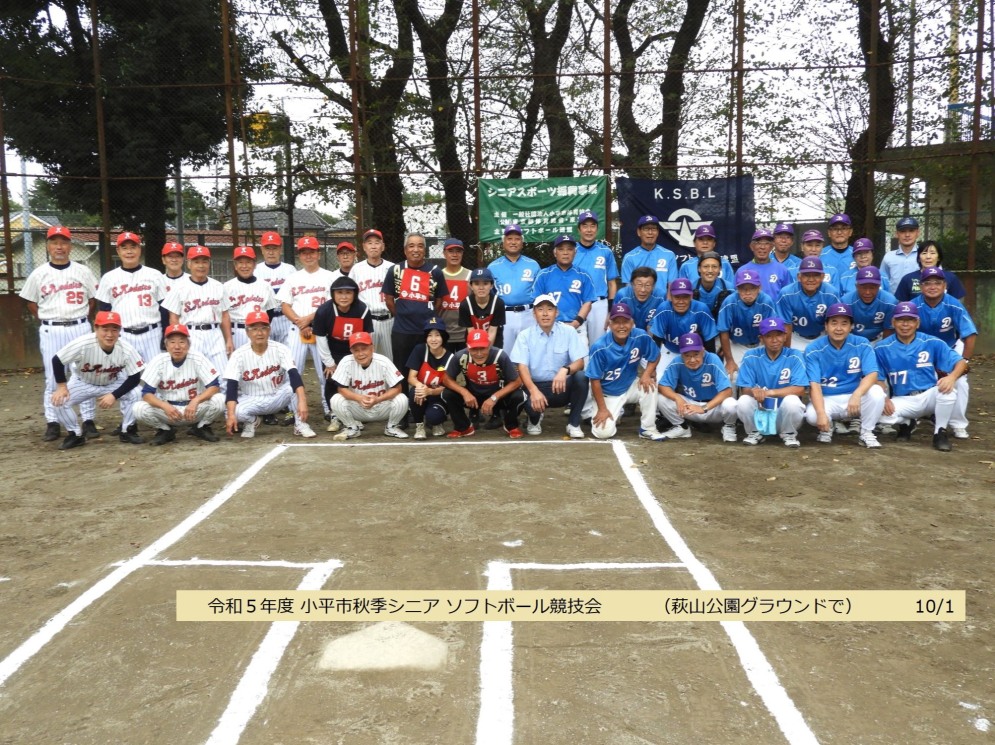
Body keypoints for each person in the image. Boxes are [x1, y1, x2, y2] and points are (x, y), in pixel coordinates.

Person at [20, 225, 100, 442]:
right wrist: (46, 318)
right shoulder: (39, 273)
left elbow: (93, 299)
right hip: (52, 329)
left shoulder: (83, 271)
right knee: (53, 377)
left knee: (85, 373)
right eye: (54, 242)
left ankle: (88, 419)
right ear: (48, 246)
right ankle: (53, 421)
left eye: (63, 242)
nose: (59, 247)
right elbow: (30, 302)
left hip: (79, 327)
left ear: (70, 246)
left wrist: (82, 317)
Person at [874, 302, 969, 452]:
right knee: (878, 414)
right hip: (903, 399)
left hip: (928, 396)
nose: (905, 324)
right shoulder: (881, 347)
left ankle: (940, 432)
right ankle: (907, 422)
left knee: (948, 391)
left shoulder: (931, 342)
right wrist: (884, 399)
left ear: (917, 323)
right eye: (900, 320)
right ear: (893, 322)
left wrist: (951, 378)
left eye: (910, 320)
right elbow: (878, 378)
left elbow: (961, 363)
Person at [50, 311, 144, 449]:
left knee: (137, 393)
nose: (110, 334)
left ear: (119, 331)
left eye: (114, 329)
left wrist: (114, 395)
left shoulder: (126, 348)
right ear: (96, 328)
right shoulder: (83, 343)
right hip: (83, 382)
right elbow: (57, 360)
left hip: (112, 383)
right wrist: (62, 387)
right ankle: (75, 435)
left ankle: (127, 430)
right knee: (59, 400)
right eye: (105, 329)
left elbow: (135, 377)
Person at [382, 232, 449, 419]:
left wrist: (430, 318)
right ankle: (403, 412)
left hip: (426, 333)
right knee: (401, 372)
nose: (416, 249)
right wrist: (402, 315)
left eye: (420, 245)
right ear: (405, 250)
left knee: (425, 370)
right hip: (402, 331)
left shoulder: (435, 271)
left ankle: (424, 408)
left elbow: (441, 300)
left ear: (424, 250)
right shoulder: (395, 270)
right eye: (411, 245)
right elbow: (388, 298)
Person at [803, 303, 885, 447]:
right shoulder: (814, 349)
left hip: (853, 398)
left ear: (851, 326)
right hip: (828, 398)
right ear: (826, 326)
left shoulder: (862, 344)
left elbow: (872, 374)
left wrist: (857, 394)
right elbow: (814, 385)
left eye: (844, 323)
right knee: (812, 416)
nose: (839, 328)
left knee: (877, 392)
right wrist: (821, 413)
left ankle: (866, 432)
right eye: (834, 323)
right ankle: (828, 427)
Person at [912, 267, 978, 439]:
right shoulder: (913, 306)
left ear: (944, 285)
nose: (932, 286)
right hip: (921, 351)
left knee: (960, 382)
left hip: (948, 350)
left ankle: (958, 424)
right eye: (928, 283)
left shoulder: (953, 304)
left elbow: (970, 334)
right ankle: (912, 419)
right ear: (921, 286)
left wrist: (965, 360)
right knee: (915, 379)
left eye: (937, 282)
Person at [511, 293, 589, 437]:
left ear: (556, 312)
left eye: (550, 309)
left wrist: (565, 370)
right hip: (535, 386)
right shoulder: (524, 336)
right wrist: (533, 390)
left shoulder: (569, 331)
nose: (545, 314)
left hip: (560, 386)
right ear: (534, 314)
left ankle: (574, 423)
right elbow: (522, 367)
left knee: (581, 377)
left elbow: (580, 362)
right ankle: (534, 419)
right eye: (540, 309)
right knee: (523, 392)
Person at [132, 323, 224, 445]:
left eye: (181, 342)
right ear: (166, 345)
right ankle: (166, 430)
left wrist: (196, 401)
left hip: (195, 409)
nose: (177, 346)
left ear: (188, 345)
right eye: (172, 342)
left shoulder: (198, 358)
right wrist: (164, 406)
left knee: (220, 399)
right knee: (138, 408)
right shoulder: (158, 361)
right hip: (170, 412)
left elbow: (214, 386)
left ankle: (201, 427)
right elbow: (146, 394)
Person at [586, 302, 666, 440]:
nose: (621, 326)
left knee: (650, 385)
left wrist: (646, 374)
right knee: (602, 433)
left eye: (625, 322)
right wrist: (603, 409)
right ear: (610, 324)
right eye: (617, 322)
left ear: (632, 323)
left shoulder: (640, 336)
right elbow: (594, 380)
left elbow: (655, 355)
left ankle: (648, 428)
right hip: (608, 393)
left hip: (630, 385)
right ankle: (612, 413)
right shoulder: (600, 347)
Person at [223, 311, 309, 439]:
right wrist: (231, 415)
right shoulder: (238, 355)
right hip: (252, 399)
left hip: (278, 396)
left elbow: (294, 375)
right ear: (247, 332)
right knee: (231, 412)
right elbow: (231, 386)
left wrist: (303, 402)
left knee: (294, 387)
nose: (259, 333)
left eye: (263, 328)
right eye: (254, 329)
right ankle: (252, 421)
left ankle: (300, 424)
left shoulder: (281, 349)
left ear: (269, 330)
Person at [278, 235, 335, 427]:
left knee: (324, 371)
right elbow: (285, 305)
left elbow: (332, 304)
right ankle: (292, 409)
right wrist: (300, 322)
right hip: (297, 329)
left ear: (319, 254)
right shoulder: (293, 278)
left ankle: (329, 408)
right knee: (293, 370)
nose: (308, 255)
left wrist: (308, 320)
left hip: (321, 329)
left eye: (312, 252)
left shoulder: (329, 276)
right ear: (299, 256)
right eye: (304, 252)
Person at [734, 317, 808, 447]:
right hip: (760, 413)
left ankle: (789, 433)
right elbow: (745, 389)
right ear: (761, 338)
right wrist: (754, 391)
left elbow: (800, 389)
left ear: (785, 336)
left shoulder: (794, 355)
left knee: (793, 401)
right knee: (743, 400)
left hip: (783, 414)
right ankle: (755, 432)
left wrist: (769, 392)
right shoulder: (751, 356)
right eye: (769, 336)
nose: (774, 340)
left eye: (778, 335)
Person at [96, 231, 166, 366]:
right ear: (118, 251)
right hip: (123, 335)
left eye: (133, 247)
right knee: (124, 374)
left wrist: (165, 333)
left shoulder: (155, 275)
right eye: (124, 248)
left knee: (155, 374)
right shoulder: (108, 278)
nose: (129, 251)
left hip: (152, 333)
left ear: (139, 249)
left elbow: (164, 308)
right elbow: (104, 311)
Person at [162, 245, 232, 381]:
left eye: (204, 261)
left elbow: (225, 315)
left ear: (209, 263)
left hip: (215, 334)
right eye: (196, 261)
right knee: (194, 376)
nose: (201, 265)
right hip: (191, 333)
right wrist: (180, 340)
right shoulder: (178, 288)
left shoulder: (218, 286)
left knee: (223, 377)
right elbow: (173, 318)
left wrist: (228, 339)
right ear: (189, 264)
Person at [312, 275, 373, 430]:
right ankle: (334, 414)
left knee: (356, 381)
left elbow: (367, 335)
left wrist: (364, 357)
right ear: (333, 294)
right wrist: (329, 362)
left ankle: (355, 414)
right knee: (332, 380)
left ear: (355, 294)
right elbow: (320, 338)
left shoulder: (363, 309)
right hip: (332, 349)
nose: (344, 297)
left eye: (348, 292)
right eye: (339, 293)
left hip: (355, 350)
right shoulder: (324, 311)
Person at [442, 328, 526, 438]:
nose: (479, 353)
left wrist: (494, 397)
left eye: (483, 348)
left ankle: (511, 425)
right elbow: (446, 379)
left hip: (499, 397)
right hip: (473, 397)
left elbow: (517, 381)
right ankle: (464, 427)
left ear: (489, 345)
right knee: (447, 393)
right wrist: (464, 392)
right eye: (474, 349)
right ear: (467, 347)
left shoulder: (500, 356)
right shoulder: (460, 356)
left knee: (520, 396)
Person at [657, 332, 738, 442]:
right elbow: (662, 386)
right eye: (687, 355)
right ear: (681, 354)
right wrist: (676, 397)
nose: (692, 360)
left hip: (714, 407)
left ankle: (728, 426)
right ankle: (681, 427)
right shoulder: (677, 362)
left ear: (703, 351)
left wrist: (703, 408)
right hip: (690, 407)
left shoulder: (712, 359)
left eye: (696, 354)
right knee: (661, 398)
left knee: (731, 404)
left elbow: (727, 391)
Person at [329, 331, 409, 440]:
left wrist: (378, 399)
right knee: (336, 399)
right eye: (356, 350)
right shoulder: (346, 362)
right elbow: (341, 389)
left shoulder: (383, 361)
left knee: (402, 399)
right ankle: (352, 428)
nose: (360, 353)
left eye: (364, 349)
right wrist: (359, 398)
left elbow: (397, 388)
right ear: (351, 351)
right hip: (358, 407)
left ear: (372, 348)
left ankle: (392, 427)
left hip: (381, 406)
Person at [716, 267, 777, 382]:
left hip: (760, 345)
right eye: (743, 289)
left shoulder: (766, 301)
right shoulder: (729, 302)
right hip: (737, 344)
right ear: (737, 289)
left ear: (759, 288)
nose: (748, 293)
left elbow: (771, 330)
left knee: (766, 376)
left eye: (752, 288)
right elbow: (723, 332)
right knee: (731, 377)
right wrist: (729, 360)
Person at [487, 223, 540, 353]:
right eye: (509, 239)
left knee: (531, 353)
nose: (513, 242)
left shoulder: (533, 264)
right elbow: (489, 295)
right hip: (505, 315)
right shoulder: (493, 267)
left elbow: (539, 291)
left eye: (517, 239)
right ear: (503, 242)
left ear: (522, 242)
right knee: (505, 354)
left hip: (529, 313)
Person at [532, 234, 598, 335]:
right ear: (555, 253)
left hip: (577, 327)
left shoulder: (583, 275)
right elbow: (537, 302)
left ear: (575, 253)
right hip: (550, 327)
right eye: (561, 249)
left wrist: (575, 323)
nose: (565, 253)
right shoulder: (543, 274)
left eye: (570, 249)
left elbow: (587, 302)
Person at [648, 277, 719, 370]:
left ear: (691, 296)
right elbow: (657, 340)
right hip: (670, 351)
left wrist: (710, 366)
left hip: (695, 354)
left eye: (685, 297)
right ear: (671, 296)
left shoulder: (701, 309)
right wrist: (652, 369)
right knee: (659, 378)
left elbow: (709, 342)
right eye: (677, 297)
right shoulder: (664, 309)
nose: (681, 302)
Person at [573, 210, 620, 344]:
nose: (589, 230)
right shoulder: (571, 250)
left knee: (599, 344)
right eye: (585, 226)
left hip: (599, 303)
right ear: (579, 229)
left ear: (597, 229)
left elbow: (612, 283)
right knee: (576, 344)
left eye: (592, 226)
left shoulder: (605, 251)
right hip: (577, 302)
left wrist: (610, 310)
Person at [776, 257, 842, 351]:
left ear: (822, 277)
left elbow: (833, 323)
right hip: (795, 338)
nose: (811, 279)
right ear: (799, 277)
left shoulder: (831, 293)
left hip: (822, 336)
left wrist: (830, 348)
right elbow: (786, 325)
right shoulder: (786, 293)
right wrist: (787, 353)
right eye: (806, 275)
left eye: (816, 275)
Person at [223, 245, 280, 351]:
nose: (244, 266)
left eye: (248, 262)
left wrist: (261, 328)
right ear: (235, 265)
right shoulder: (226, 287)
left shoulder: (265, 286)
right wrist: (228, 338)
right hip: (236, 331)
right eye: (240, 262)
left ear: (255, 264)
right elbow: (223, 315)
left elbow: (270, 312)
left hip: (259, 331)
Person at [351, 228, 395, 360]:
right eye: (369, 243)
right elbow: (352, 296)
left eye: (377, 242)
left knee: (391, 360)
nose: (373, 246)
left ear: (383, 246)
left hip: (389, 320)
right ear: (364, 247)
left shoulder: (393, 268)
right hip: (367, 321)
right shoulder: (356, 269)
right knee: (367, 359)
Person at [406, 318, 454, 439]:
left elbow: (449, 388)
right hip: (422, 393)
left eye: (437, 335)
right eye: (429, 335)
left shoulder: (451, 358)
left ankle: (436, 423)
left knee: (434, 417)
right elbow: (411, 377)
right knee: (415, 391)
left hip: (438, 396)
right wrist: (420, 386)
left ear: (443, 337)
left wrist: (430, 391)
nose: (433, 339)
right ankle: (419, 425)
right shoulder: (420, 350)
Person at [254, 231, 297, 346]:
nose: (271, 252)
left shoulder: (290, 270)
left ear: (280, 249)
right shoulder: (256, 270)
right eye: (267, 248)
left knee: (288, 353)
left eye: (274, 248)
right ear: (262, 250)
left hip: (286, 319)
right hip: (264, 320)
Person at [893, 240, 967, 302]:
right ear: (919, 258)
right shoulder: (907, 279)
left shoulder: (951, 277)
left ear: (938, 257)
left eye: (932, 253)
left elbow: (958, 304)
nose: (928, 257)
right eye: (924, 253)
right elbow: (902, 305)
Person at [841, 266, 897, 342]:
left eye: (872, 288)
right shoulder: (846, 302)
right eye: (864, 287)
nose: (867, 292)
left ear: (879, 286)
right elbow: (844, 329)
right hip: (853, 339)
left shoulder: (890, 302)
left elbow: (889, 330)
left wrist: (882, 346)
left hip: (879, 339)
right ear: (856, 286)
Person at [620, 215, 678, 287]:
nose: (650, 232)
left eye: (653, 229)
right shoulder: (629, 257)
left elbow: (672, 285)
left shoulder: (669, 255)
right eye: (646, 229)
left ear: (658, 232)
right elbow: (628, 287)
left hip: (662, 295)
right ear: (639, 232)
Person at [738, 228, 793, 300]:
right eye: (758, 243)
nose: (762, 247)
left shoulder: (782, 270)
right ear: (752, 246)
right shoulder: (742, 271)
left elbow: (789, 296)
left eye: (766, 243)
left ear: (772, 247)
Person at [438, 237, 472, 353]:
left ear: (462, 254)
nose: (455, 255)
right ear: (444, 253)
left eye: (458, 251)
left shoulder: (470, 276)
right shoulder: (437, 275)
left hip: (465, 333)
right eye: (451, 251)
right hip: (443, 333)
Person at [459, 267, 506, 348]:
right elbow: (471, 331)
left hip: (494, 344)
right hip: (473, 344)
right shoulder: (465, 305)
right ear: (471, 286)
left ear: (491, 285)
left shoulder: (498, 304)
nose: (481, 288)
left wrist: (485, 350)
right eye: (477, 284)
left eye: (485, 283)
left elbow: (492, 331)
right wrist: (477, 351)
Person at [614, 266, 665, 332]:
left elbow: (657, 325)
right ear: (632, 284)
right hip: (628, 331)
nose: (643, 290)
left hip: (651, 333)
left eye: (647, 285)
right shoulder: (622, 295)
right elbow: (616, 322)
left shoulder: (661, 297)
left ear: (653, 286)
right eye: (639, 284)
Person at [880, 216, 921, 290]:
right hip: (893, 297)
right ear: (896, 234)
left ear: (918, 233)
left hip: (919, 297)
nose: (907, 235)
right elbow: (882, 280)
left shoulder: (925, 256)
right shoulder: (889, 257)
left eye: (911, 231)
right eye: (903, 231)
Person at [691, 250, 734, 319]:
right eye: (706, 266)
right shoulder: (690, 288)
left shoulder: (730, 288)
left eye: (714, 266)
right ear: (699, 268)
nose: (710, 270)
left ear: (720, 269)